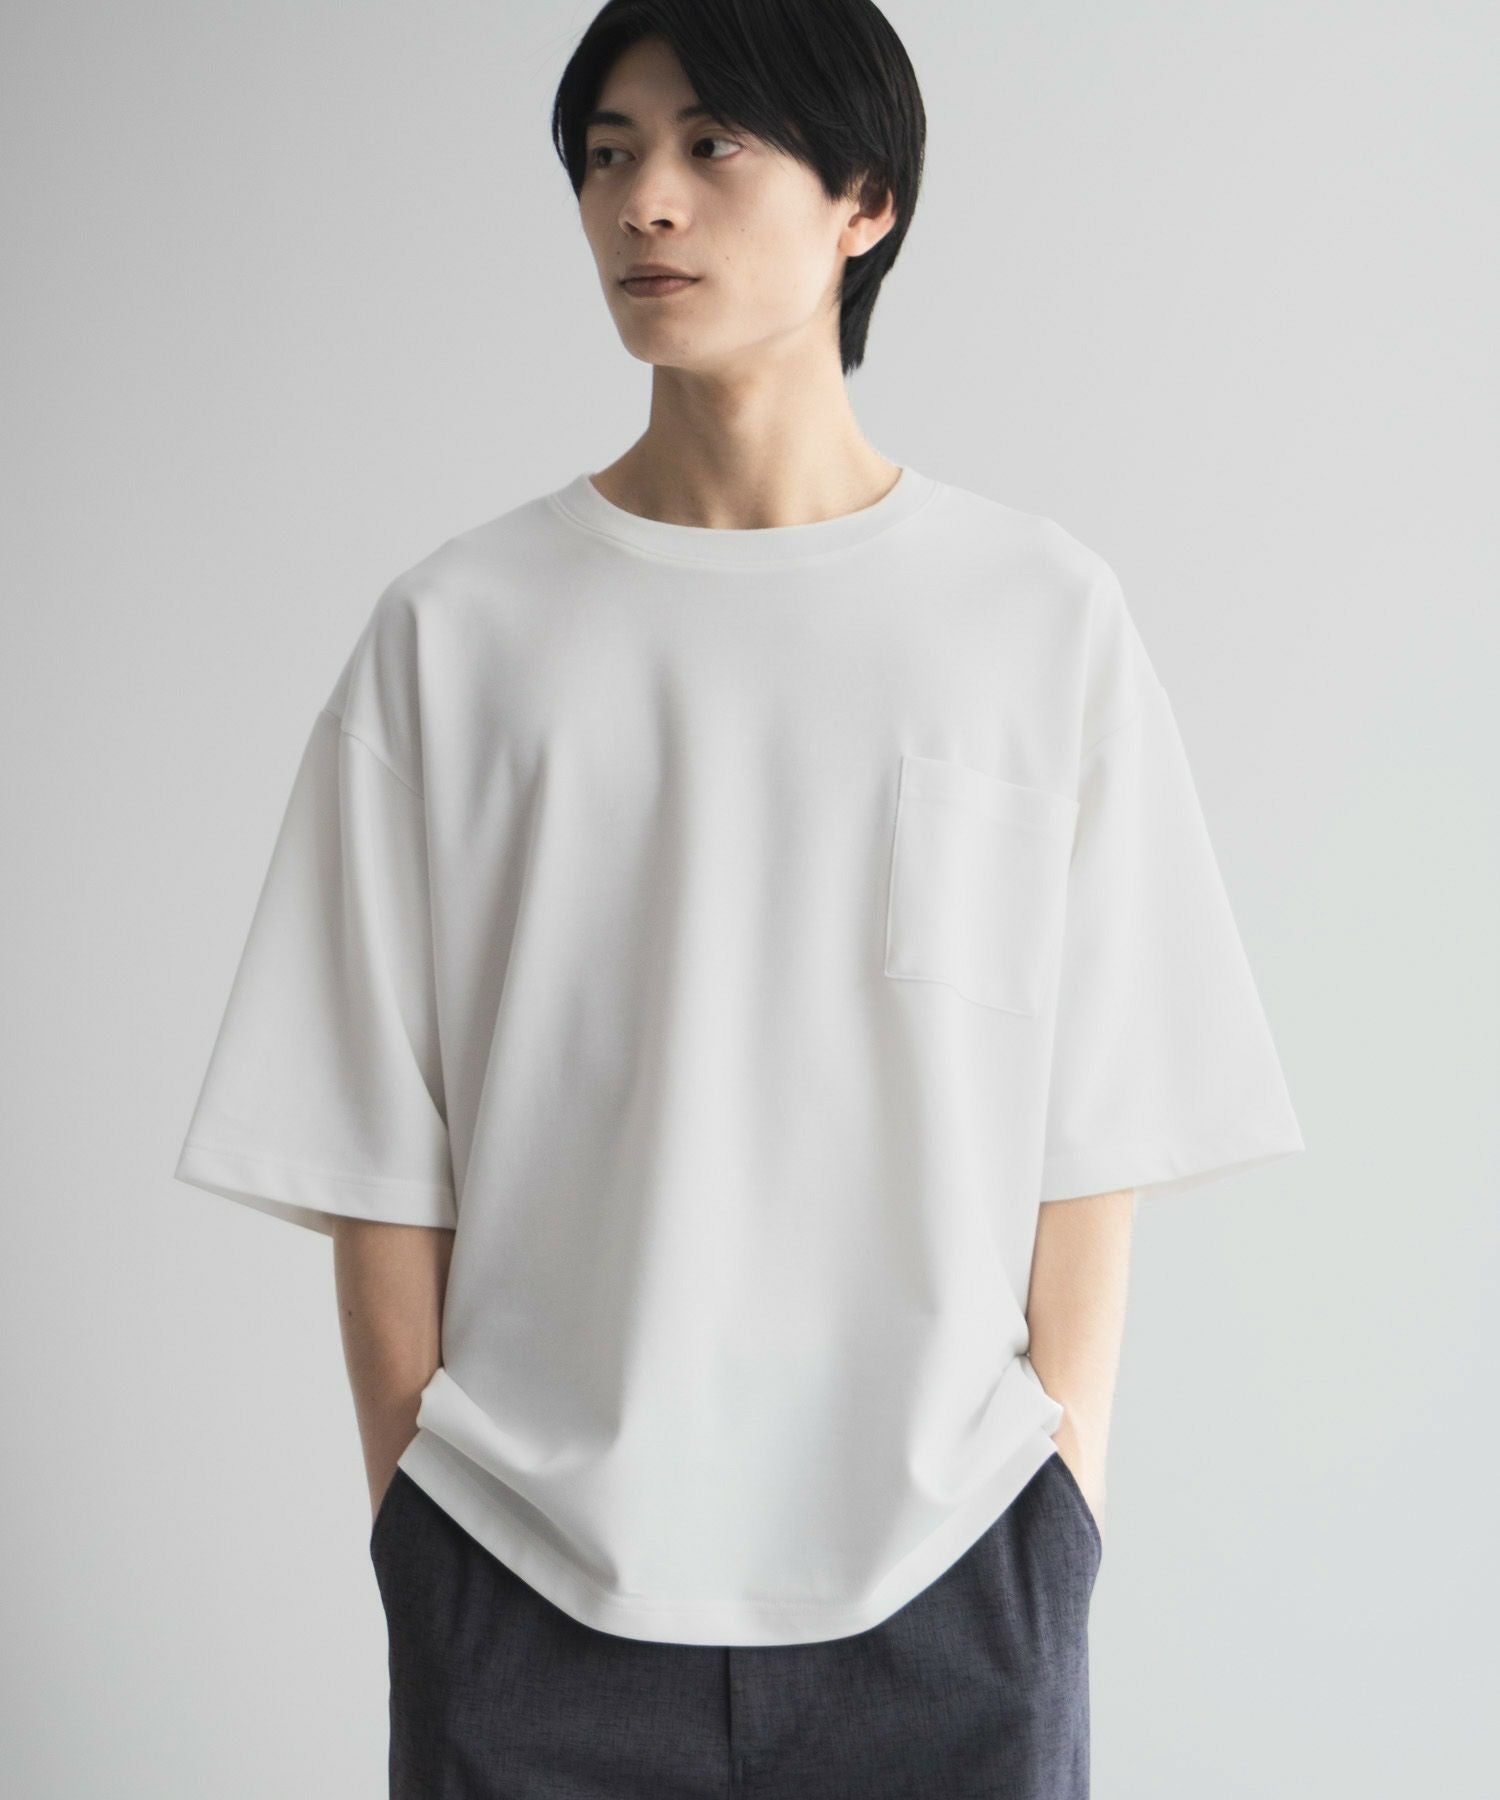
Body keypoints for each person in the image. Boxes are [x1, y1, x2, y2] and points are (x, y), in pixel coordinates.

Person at [172, 1, 1305, 1793]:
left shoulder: (1031, 621)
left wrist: (1061, 1502)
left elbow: (1101, 1116)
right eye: (608, 154)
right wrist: (420, 1524)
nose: (645, 202)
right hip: (525, 1579)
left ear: (867, 199)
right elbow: (367, 1136)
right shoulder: (462, 634)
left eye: (712, 145)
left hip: (954, 1578)